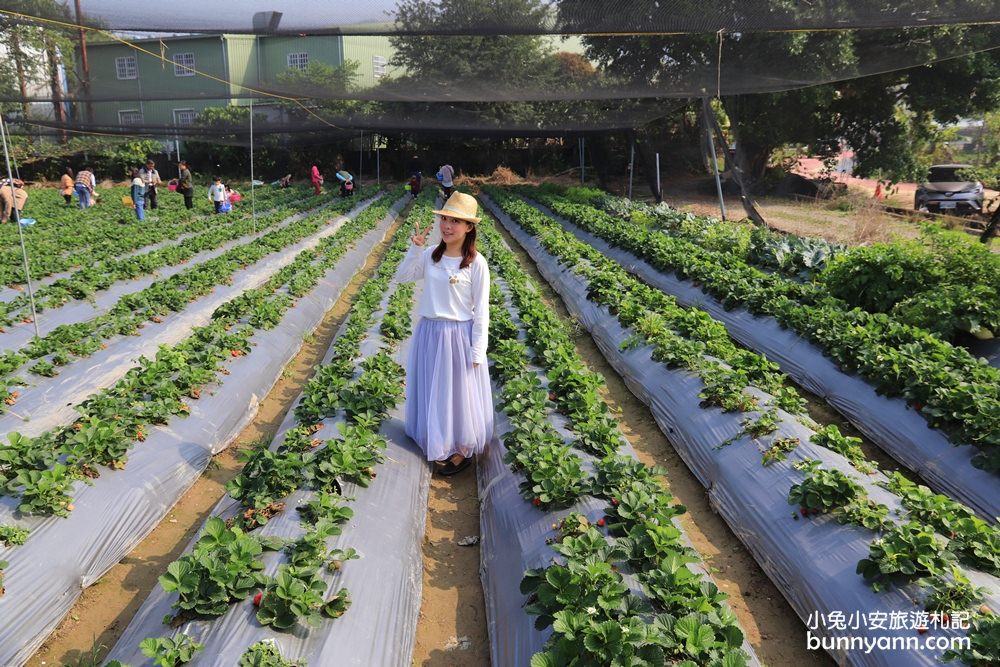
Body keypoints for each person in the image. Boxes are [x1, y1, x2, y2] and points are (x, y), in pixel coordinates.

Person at [397, 191, 493, 476]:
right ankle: (437, 440)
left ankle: (461, 448)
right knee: (434, 390)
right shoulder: (430, 255)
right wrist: (414, 249)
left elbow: (482, 311)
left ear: (469, 227)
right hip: (430, 331)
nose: (447, 226)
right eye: (445, 219)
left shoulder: (477, 264)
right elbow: (402, 278)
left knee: (457, 394)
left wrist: (478, 350)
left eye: (455, 221)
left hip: (458, 335)